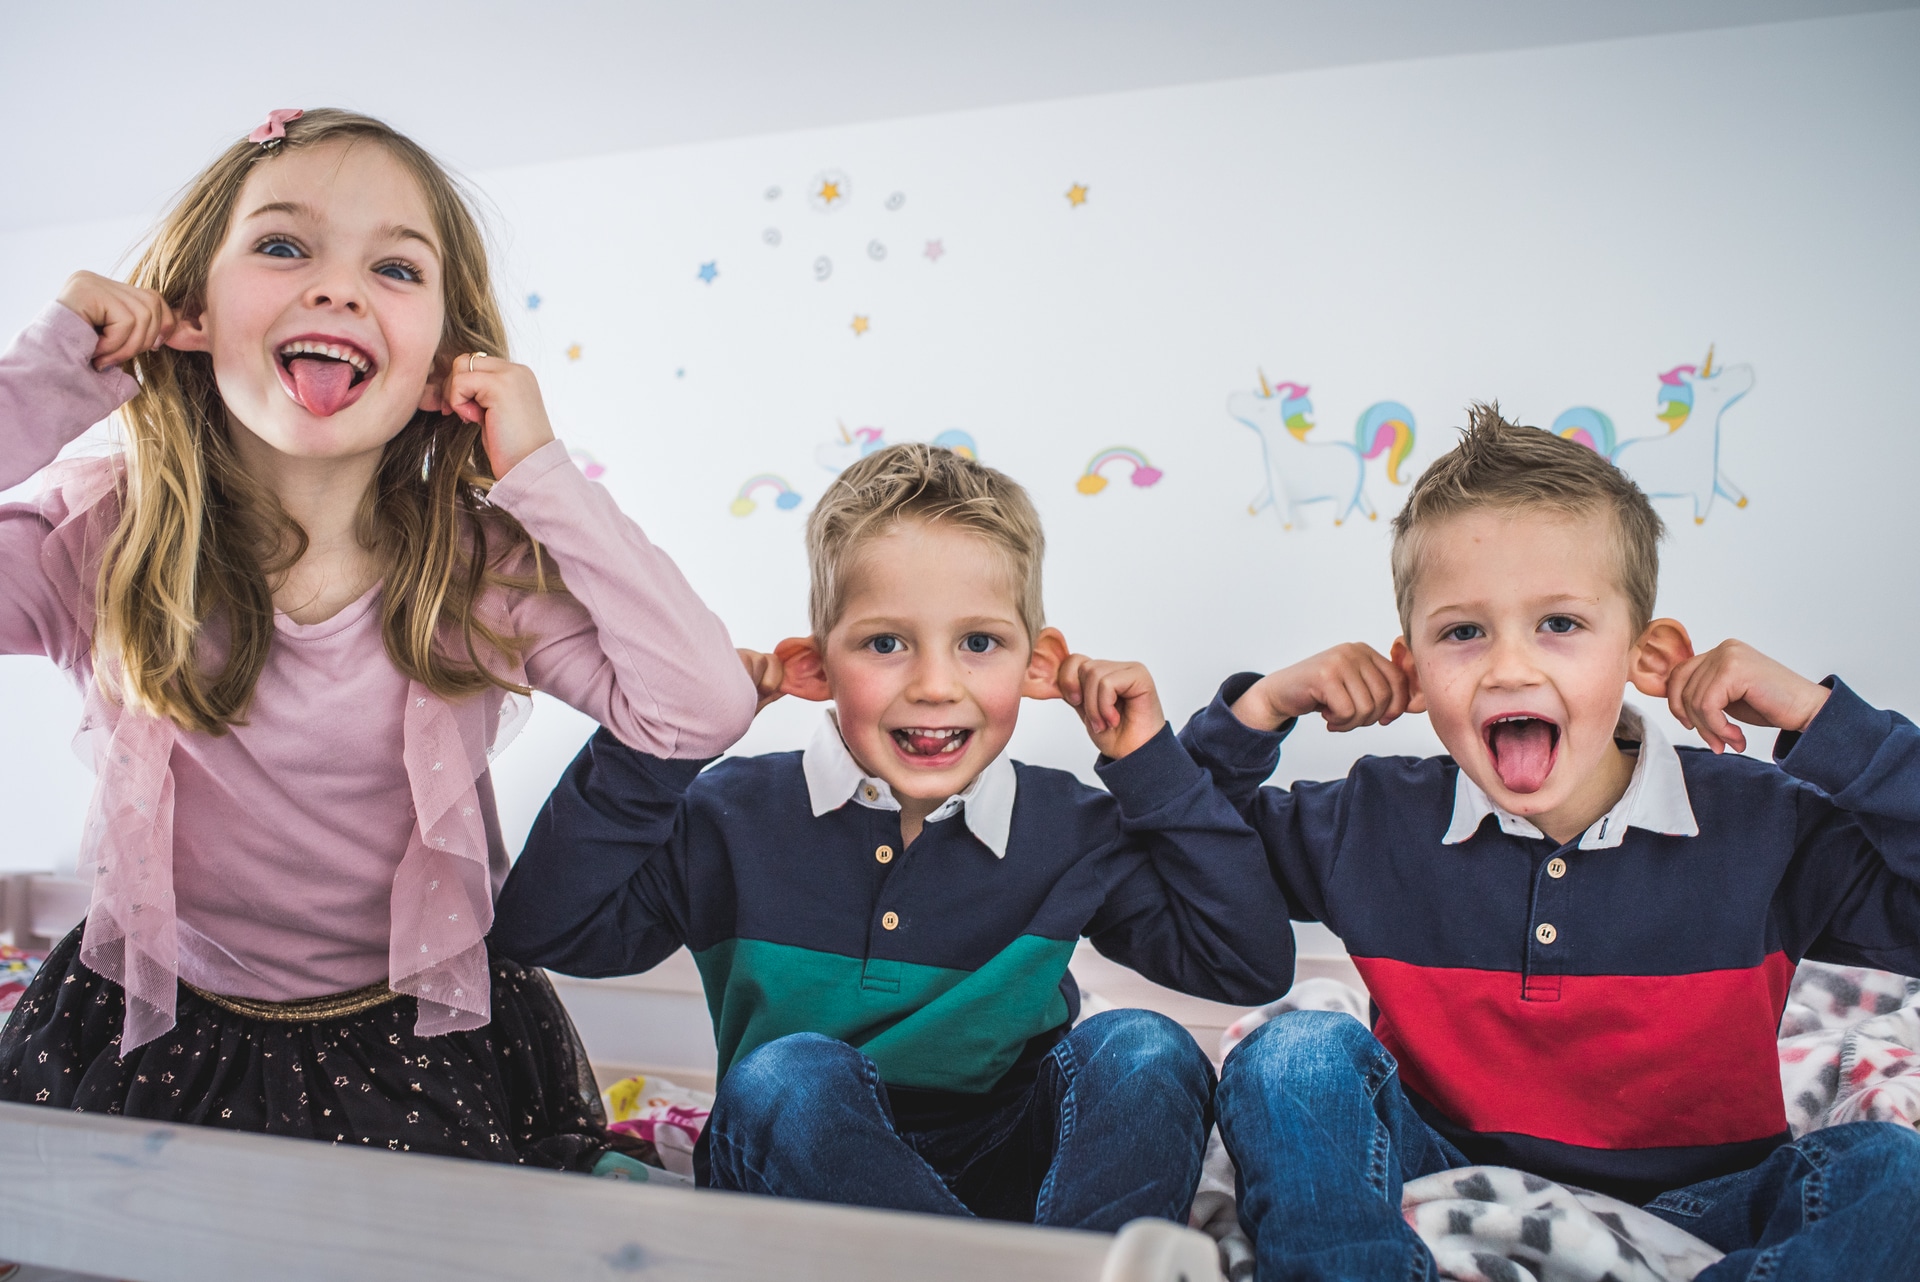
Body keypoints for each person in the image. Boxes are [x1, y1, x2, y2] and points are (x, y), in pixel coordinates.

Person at [0, 109, 755, 1171]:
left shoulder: (479, 567)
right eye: (281, 245)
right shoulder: (100, 541)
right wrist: (51, 378)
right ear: (191, 311)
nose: (337, 287)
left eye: (394, 268)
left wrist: (534, 466)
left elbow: (702, 706)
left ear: (448, 357)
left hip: (405, 1040)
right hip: (153, 1028)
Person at [1186, 404, 1920, 1279]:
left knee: (1891, 1170)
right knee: (1293, 1049)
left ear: (1647, 656)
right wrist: (1256, 714)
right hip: (1439, 1168)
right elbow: (1173, 862)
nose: (1508, 668)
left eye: (1560, 625)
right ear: (1412, 670)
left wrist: (1822, 720)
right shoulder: (1370, 817)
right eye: (1463, 632)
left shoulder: (1767, 821)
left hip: (1709, 1199)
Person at [492, 442, 1295, 1226]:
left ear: (1039, 664)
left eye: (979, 644)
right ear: (813, 667)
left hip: (1011, 1178)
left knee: (1147, 1046)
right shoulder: (727, 814)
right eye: (886, 644)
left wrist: (1150, 762)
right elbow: (545, 929)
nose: (936, 685)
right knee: (787, 1074)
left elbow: (1246, 962)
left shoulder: (1073, 828)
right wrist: (666, 743)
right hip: (799, 1172)